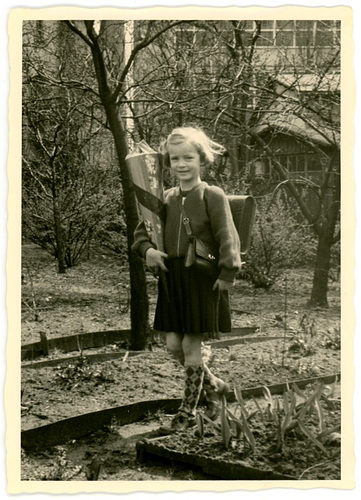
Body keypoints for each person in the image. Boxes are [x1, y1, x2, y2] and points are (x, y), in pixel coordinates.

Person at [132, 126, 242, 433]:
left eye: (188, 158)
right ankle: (215, 383)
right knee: (173, 345)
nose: (181, 164)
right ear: (168, 162)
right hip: (174, 279)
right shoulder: (164, 198)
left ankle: (188, 413)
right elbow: (143, 231)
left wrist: (228, 273)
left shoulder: (212, 195)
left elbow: (227, 236)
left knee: (192, 347)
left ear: (202, 160)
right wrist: (149, 251)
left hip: (203, 279)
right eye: (175, 158)